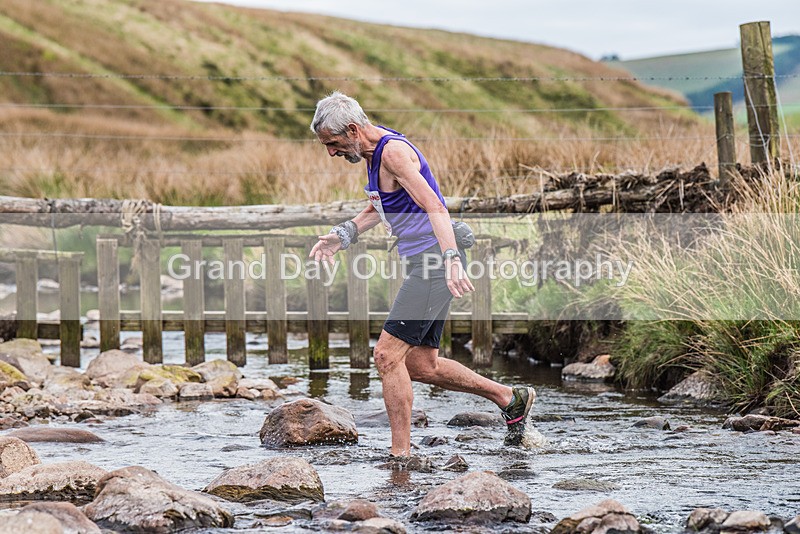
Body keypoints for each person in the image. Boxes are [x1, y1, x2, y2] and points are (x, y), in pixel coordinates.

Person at [308, 91, 535, 458]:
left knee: (386, 356)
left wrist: (450, 259)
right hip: (423, 260)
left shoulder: (393, 153)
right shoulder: (371, 152)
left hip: (433, 260)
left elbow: (434, 205)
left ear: (352, 129)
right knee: (419, 363)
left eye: (332, 144)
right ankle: (509, 398)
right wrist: (343, 235)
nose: (331, 152)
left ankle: (401, 457)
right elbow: (380, 205)